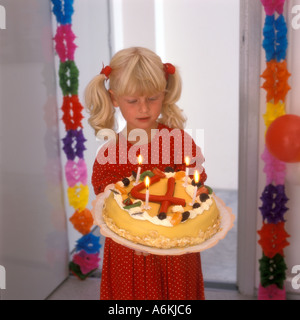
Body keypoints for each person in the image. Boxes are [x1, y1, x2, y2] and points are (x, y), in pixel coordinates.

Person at [85, 47, 207, 300]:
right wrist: (136, 238)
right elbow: (108, 209)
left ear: (164, 93)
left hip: (176, 250)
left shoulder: (180, 143)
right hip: (130, 256)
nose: (144, 108)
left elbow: (197, 191)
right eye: (133, 100)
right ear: (115, 98)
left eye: (152, 98)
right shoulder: (110, 155)